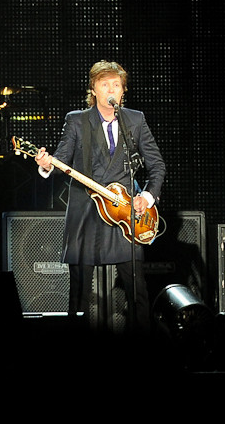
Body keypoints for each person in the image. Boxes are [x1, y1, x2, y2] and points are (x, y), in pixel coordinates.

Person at [34, 60, 165, 335]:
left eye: (116, 85)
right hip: (86, 215)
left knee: (137, 291)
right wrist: (46, 165)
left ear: (123, 91)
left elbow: (157, 165)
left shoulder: (135, 119)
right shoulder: (77, 120)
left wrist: (148, 198)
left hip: (125, 213)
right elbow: (60, 161)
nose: (111, 90)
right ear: (93, 89)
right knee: (79, 295)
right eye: (104, 84)